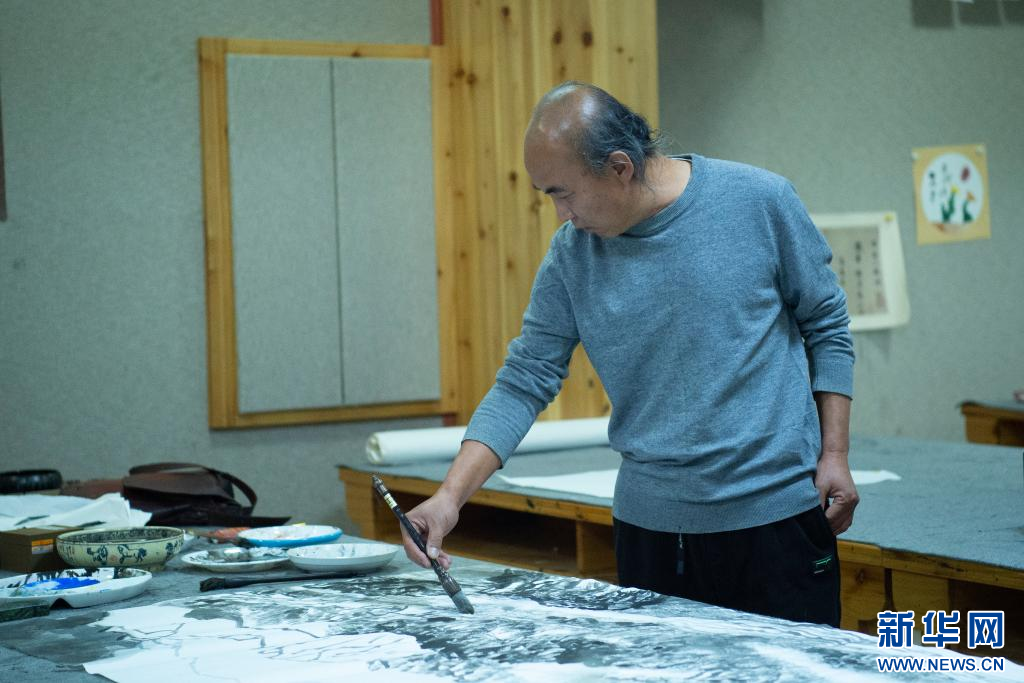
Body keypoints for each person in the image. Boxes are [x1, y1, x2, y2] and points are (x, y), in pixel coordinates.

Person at [401, 81, 858, 627]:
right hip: (651, 535)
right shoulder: (573, 255)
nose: (561, 214)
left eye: (563, 193)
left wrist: (835, 453)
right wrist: (449, 498)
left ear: (620, 167)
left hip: (775, 521)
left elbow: (827, 325)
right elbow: (524, 379)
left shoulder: (760, 201)